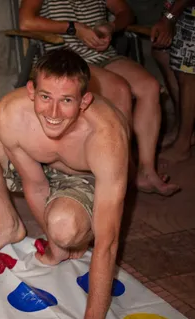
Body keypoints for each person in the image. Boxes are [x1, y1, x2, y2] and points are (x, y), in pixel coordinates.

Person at [0, 49, 129, 319]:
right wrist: (51, 246)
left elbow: (109, 239)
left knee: (65, 229)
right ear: (31, 91)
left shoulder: (107, 137)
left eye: (67, 101)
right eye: (46, 97)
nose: (54, 112)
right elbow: (35, 184)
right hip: (39, 165)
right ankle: (9, 224)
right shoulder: (10, 112)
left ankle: (68, 229)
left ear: (85, 101)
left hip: (83, 180)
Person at [19, 0, 180, 195]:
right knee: (119, 90)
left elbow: (125, 12)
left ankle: (146, 170)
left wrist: (111, 26)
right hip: (68, 62)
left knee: (149, 87)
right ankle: (123, 171)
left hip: (104, 56)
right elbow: (26, 22)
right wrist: (73, 29)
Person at [152, 0, 195, 162]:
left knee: (188, 71)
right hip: (176, 7)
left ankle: (183, 144)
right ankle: (183, 126)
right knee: (161, 51)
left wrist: (169, 18)